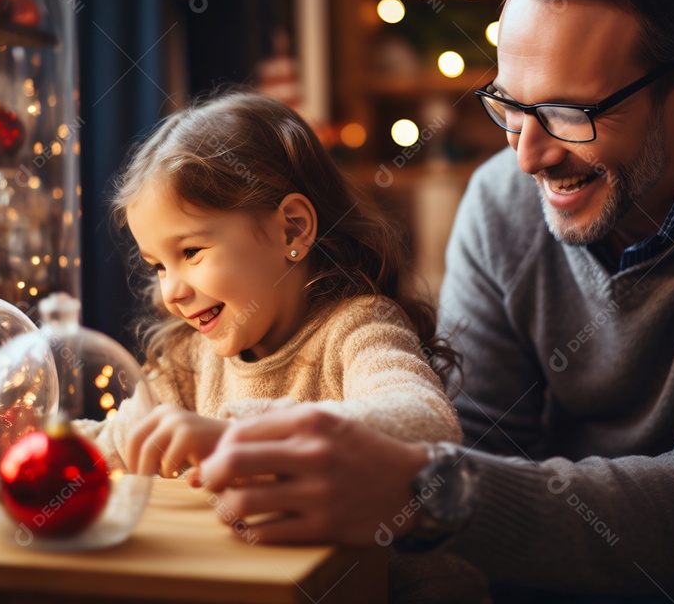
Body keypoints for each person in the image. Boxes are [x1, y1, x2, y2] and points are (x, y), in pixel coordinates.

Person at [194, 0, 674, 602]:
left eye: (571, 114)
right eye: (509, 107)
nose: (529, 157)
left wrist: (422, 490)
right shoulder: (500, 204)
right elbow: (478, 442)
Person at [78, 91, 462, 480]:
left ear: (292, 230)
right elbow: (108, 446)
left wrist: (238, 434)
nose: (171, 292)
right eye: (159, 266)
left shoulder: (358, 329)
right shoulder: (189, 361)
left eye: (191, 251)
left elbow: (429, 424)